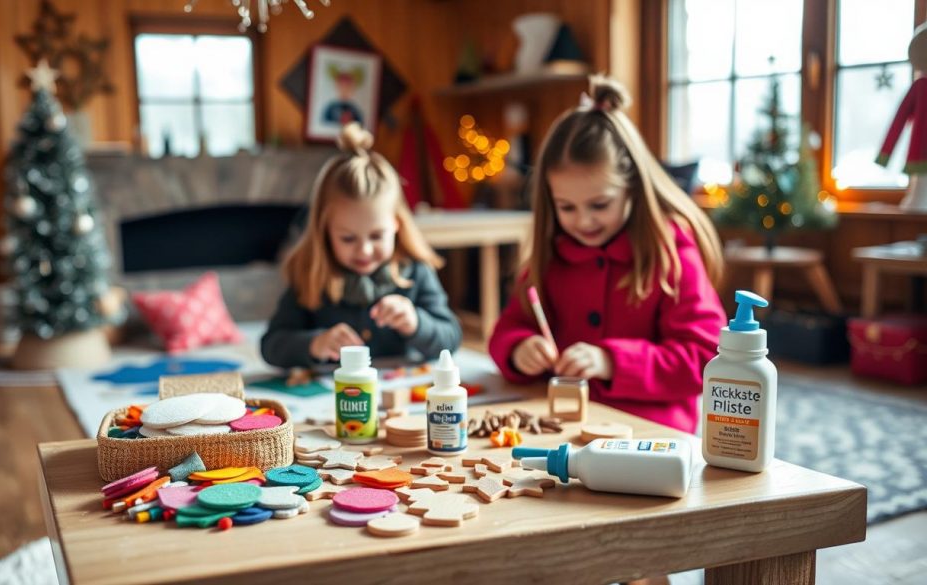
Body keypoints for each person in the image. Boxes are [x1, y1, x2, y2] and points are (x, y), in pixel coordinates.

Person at [488, 75, 726, 433]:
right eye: (566, 207)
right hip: (561, 425)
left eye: (599, 204)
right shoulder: (551, 254)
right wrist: (519, 349)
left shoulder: (671, 251)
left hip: (653, 433)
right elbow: (509, 328)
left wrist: (612, 362)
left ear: (632, 188)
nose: (583, 221)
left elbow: (707, 359)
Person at [262, 122, 461, 368]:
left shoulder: (416, 272)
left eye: (377, 236)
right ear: (325, 231)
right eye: (347, 238)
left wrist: (415, 322)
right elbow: (271, 346)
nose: (364, 250)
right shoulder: (311, 275)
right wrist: (315, 343)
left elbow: (451, 339)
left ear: (397, 224)